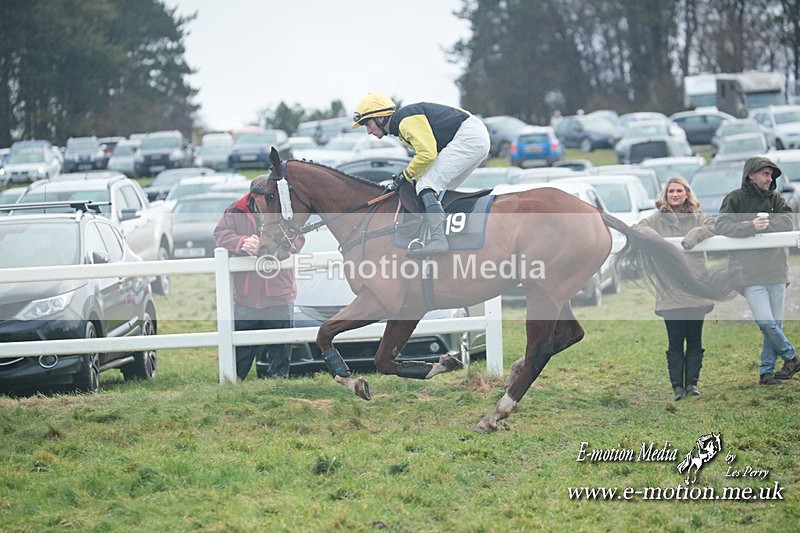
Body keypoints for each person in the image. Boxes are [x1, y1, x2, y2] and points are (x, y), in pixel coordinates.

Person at [351, 92, 490, 257]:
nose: (368, 131)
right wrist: (411, 176)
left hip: (469, 136)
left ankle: (439, 240)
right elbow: (430, 157)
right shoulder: (402, 125)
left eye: (368, 123)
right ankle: (442, 236)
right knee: (435, 189)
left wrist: (406, 175)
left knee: (426, 185)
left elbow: (427, 154)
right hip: (473, 136)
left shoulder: (405, 121)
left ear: (380, 118)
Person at [716, 156, 798, 386]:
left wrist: (766, 226)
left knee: (775, 324)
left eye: (771, 175)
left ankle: (766, 373)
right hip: (749, 274)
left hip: (776, 271)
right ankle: (792, 357)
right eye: (765, 173)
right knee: (765, 322)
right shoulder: (735, 199)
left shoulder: (776, 199)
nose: (769, 178)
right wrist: (749, 226)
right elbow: (721, 225)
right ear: (750, 174)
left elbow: (789, 222)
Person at [213, 176, 305, 380]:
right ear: (255, 197)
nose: (273, 203)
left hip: (279, 293)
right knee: (240, 355)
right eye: (268, 198)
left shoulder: (286, 211)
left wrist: (288, 247)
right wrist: (241, 242)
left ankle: (278, 394)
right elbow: (220, 234)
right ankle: (232, 394)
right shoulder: (235, 211)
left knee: (280, 353)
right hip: (246, 296)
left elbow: (299, 237)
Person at [633, 176, 716, 400]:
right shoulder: (656, 220)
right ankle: (677, 387)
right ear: (666, 195)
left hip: (695, 286)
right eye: (671, 192)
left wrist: (692, 237)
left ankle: (692, 385)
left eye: (679, 191)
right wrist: (660, 243)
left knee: (695, 338)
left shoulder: (699, 218)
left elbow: (712, 225)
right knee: (675, 339)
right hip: (669, 290)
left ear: (687, 193)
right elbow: (638, 228)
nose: (675, 195)